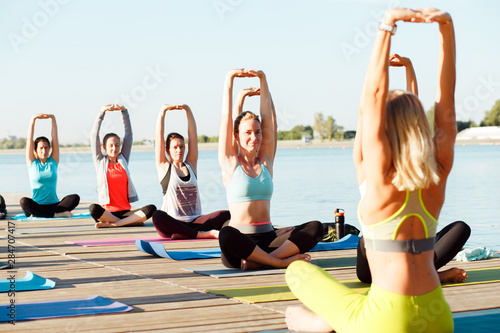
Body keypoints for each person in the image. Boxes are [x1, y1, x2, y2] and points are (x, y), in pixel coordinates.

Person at [285, 8, 456, 332]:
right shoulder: (437, 175)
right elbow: (446, 100)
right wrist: (445, 29)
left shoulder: (378, 182)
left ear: (382, 132)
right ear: (420, 128)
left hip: (387, 320)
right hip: (438, 317)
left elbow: (372, 97)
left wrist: (386, 24)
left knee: (298, 274)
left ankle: (321, 324)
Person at [354, 54, 470, 284]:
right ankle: (431, 274)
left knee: (459, 228)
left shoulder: (408, 169)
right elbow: (367, 112)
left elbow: (407, 116)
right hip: (373, 265)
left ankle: (423, 272)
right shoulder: (370, 169)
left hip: (403, 258)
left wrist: (408, 68)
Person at [218, 68, 323, 271]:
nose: (254, 137)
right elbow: (225, 118)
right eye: (247, 132)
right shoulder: (230, 163)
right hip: (240, 244)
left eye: (257, 132)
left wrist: (263, 79)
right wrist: (229, 79)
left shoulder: (266, 161)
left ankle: (262, 261)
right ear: (236, 135)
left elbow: (269, 120)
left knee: (316, 227)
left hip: (268, 239)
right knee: (226, 233)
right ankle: (278, 262)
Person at [151, 104, 230, 239]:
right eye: (175, 147)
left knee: (226, 214)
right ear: (168, 150)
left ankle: (186, 234)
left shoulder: (191, 165)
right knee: (157, 216)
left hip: (195, 221)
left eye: (182, 146)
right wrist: (162, 111)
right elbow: (159, 138)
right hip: (173, 223)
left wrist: (188, 110)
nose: (179, 150)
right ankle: (201, 234)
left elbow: (193, 136)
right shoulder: (164, 167)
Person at [89, 104, 156, 228]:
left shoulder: (123, 160)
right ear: (104, 147)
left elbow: (129, 135)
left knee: (152, 209)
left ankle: (114, 224)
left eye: (117, 145)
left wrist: (124, 112)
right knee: (93, 208)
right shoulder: (100, 162)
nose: (114, 148)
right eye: (111, 145)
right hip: (106, 212)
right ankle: (129, 222)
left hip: (125, 212)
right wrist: (102, 112)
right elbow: (94, 136)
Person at [20, 114, 80, 218]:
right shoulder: (32, 162)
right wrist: (33, 119)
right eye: (41, 148)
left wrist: (53, 118)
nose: (44, 150)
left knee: (75, 198)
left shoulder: (53, 161)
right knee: (24, 202)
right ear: (36, 150)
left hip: (54, 205)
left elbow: (55, 138)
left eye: (46, 147)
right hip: (37, 204)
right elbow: (29, 139)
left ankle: (43, 214)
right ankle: (55, 215)